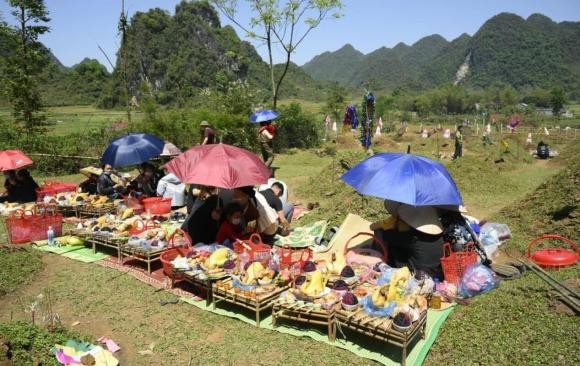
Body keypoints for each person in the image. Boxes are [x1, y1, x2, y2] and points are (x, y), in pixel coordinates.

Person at [371, 201, 444, 279]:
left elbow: (384, 234)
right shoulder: (439, 234)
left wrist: (394, 224)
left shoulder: (413, 236)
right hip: (436, 273)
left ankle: (380, 261)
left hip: (419, 275)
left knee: (392, 246)